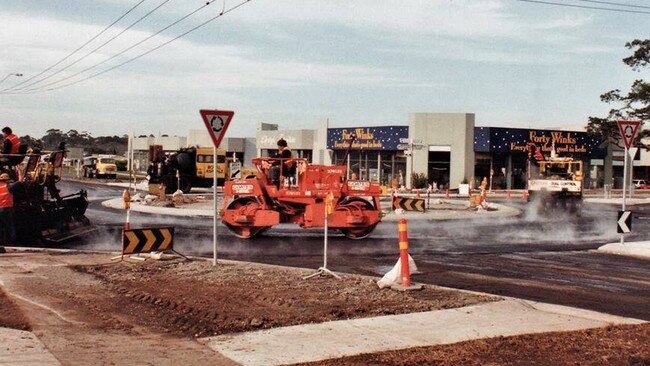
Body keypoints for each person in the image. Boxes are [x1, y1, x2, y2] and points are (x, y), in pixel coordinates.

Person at [0, 169, 23, 248]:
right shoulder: (9, 186)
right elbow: (20, 181)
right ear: (7, 180)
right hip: (6, 209)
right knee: (10, 226)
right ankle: (12, 243)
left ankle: (2, 243)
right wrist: (19, 171)